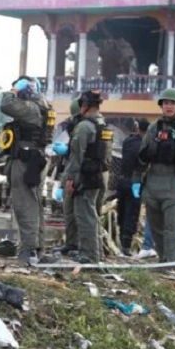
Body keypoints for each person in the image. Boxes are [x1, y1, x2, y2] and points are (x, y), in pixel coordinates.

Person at [132, 88, 175, 262]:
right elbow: (143, 155)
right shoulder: (154, 127)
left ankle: (171, 263)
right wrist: (136, 180)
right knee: (155, 228)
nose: (168, 106)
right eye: (165, 103)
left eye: (172, 103)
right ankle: (164, 261)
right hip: (153, 182)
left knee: (173, 229)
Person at [0, 75, 53, 263]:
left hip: (26, 160)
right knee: (35, 203)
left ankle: (28, 250)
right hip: (36, 159)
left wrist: (14, 90)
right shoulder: (44, 106)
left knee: (25, 205)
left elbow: (6, 104)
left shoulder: (31, 108)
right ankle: (38, 248)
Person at [63, 89, 113, 264]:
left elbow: (77, 156)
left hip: (86, 176)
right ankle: (96, 253)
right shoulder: (103, 124)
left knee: (85, 215)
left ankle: (89, 255)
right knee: (93, 215)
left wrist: (71, 180)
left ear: (83, 106)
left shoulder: (84, 126)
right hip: (100, 173)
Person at [51, 95, 84, 256]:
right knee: (69, 211)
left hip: (83, 176)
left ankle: (82, 247)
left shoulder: (87, 128)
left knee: (81, 214)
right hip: (72, 173)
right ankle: (71, 244)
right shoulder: (77, 128)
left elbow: (78, 156)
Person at [117, 118, 149, 256]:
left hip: (122, 180)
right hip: (135, 182)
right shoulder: (144, 145)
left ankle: (120, 243)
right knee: (132, 213)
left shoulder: (128, 141)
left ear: (137, 128)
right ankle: (126, 246)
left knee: (122, 211)